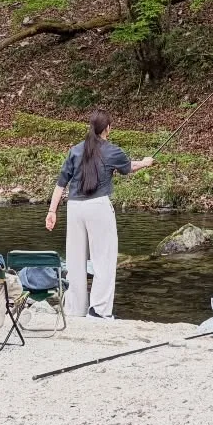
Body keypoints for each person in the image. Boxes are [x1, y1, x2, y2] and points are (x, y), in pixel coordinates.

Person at [45, 110, 153, 319]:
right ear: (107, 129)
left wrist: (52, 211)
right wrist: (146, 162)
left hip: (74, 208)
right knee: (103, 259)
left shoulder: (75, 150)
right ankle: (99, 310)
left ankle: (75, 309)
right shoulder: (112, 151)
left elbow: (61, 184)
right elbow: (129, 167)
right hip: (98, 208)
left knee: (75, 261)